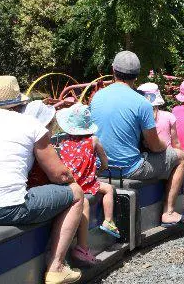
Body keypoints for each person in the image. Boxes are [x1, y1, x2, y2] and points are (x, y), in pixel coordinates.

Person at [0, 76, 84, 284]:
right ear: (19, 101)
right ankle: (56, 267)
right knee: (75, 193)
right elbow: (59, 174)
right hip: (6, 207)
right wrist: (73, 177)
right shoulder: (30, 124)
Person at [90, 51, 184, 227]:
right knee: (180, 157)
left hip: (100, 166)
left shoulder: (96, 97)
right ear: (137, 75)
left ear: (113, 70)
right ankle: (169, 212)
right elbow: (154, 145)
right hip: (128, 169)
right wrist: (165, 146)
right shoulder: (143, 103)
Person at [55, 103, 120, 266]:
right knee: (109, 189)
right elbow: (105, 162)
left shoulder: (64, 142)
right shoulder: (93, 140)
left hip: (71, 184)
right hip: (87, 184)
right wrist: (98, 172)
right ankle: (109, 220)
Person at [137, 82, 184, 213]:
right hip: (167, 159)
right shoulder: (168, 116)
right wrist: (183, 156)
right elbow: (176, 144)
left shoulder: (137, 117)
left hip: (146, 159)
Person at [22, 100, 56, 189]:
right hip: (36, 189)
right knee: (76, 191)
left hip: (24, 186)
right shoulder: (41, 144)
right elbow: (57, 174)